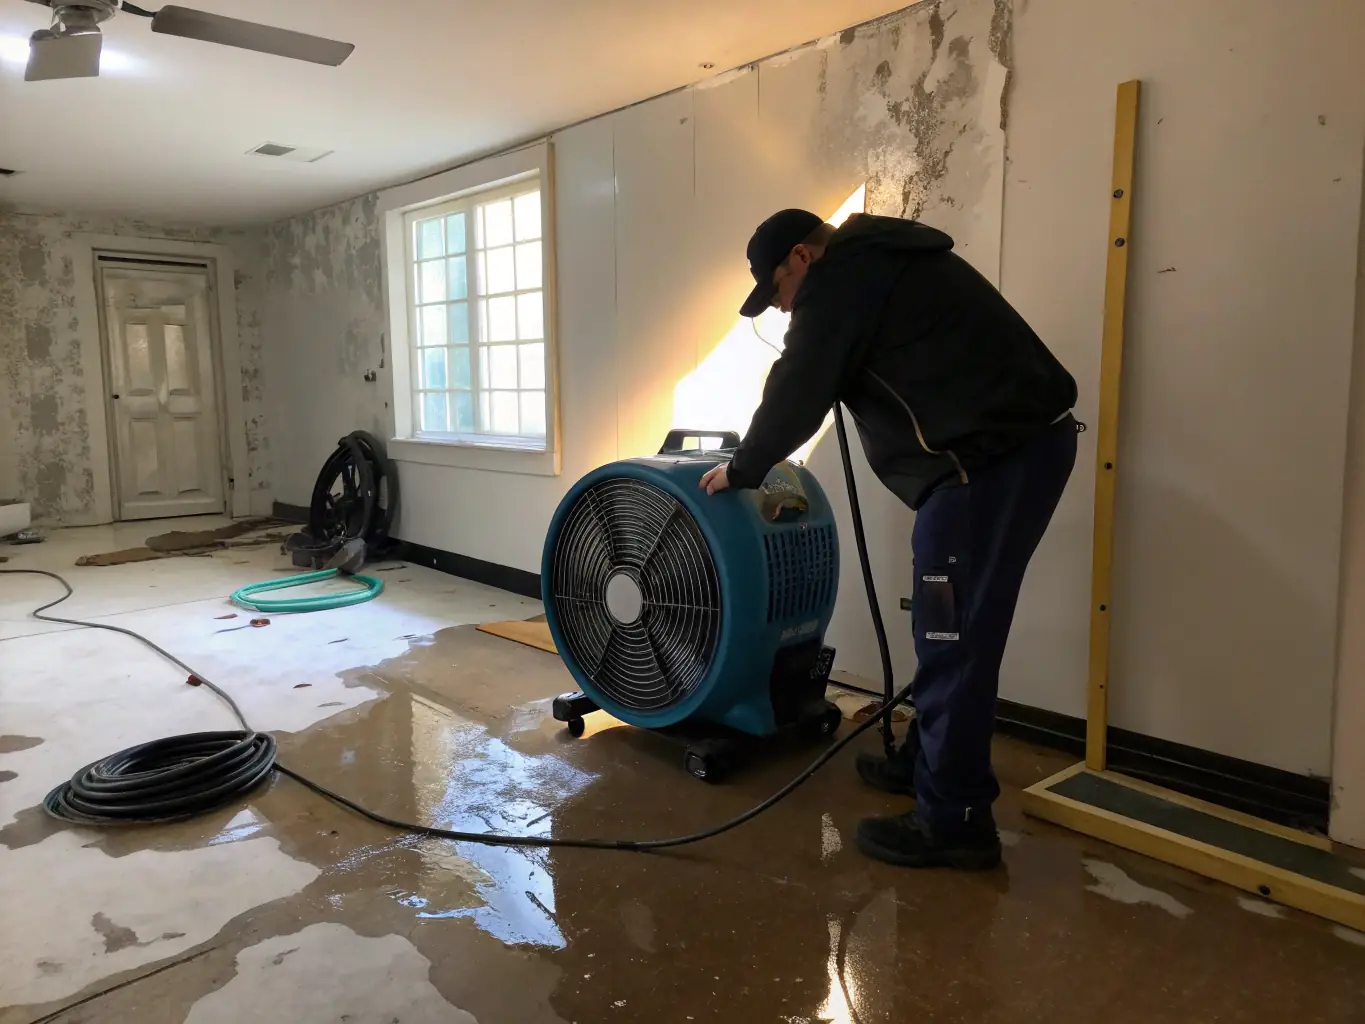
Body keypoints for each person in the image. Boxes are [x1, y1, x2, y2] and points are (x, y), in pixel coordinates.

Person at [699, 208, 1079, 870]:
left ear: (801, 258)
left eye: (778, 291)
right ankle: (927, 766)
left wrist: (743, 467)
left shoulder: (841, 279)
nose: (783, 309)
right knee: (942, 627)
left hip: (984, 468)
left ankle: (954, 819)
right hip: (1002, 459)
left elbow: (798, 384)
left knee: (951, 638)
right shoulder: (883, 262)